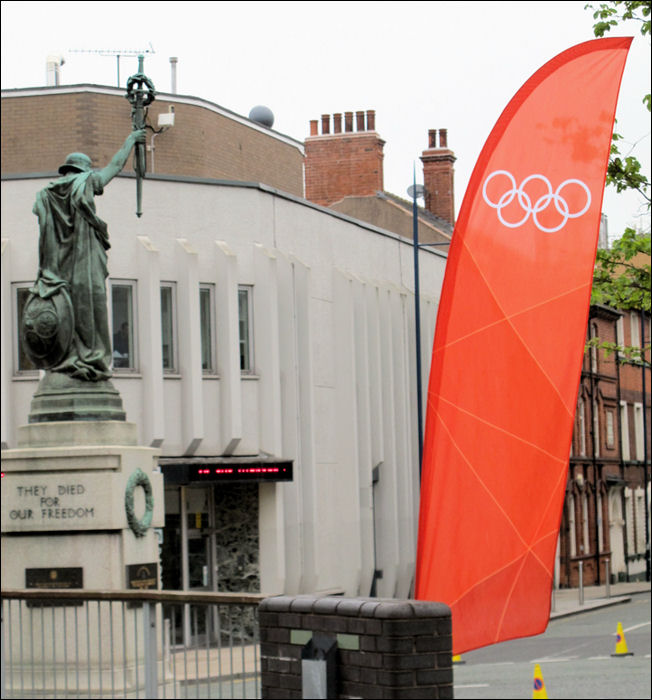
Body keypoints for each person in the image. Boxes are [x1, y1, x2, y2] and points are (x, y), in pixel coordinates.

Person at [29, 129, 146, 381]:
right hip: (84, 260)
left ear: (67, 170)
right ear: (83, 171)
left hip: (57, 270)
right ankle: (91, 357)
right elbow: (114, 166)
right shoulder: (85, 182)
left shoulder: (47, 194)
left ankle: (68, 357)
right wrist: (130, 140)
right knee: (92, 303)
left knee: (68, 309)